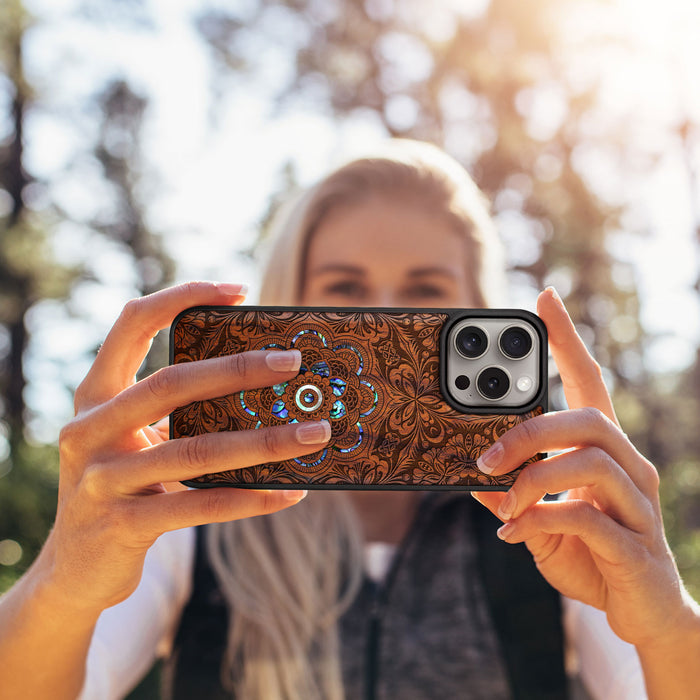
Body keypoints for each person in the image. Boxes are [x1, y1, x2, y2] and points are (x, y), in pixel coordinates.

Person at [1, 140, 699, 700]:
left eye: (426, 292)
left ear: (477, 313)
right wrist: (64, 581)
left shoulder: (544, 521)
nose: (390, 318)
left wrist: (667, 627)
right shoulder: (197, 515)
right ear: (285, 308)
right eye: (346, 292)